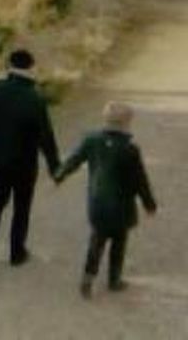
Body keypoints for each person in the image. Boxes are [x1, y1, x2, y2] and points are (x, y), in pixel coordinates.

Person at [54, 101, 159, 298]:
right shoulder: (130, 149)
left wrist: (60, 174)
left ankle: (87, 277)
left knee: (97, 240)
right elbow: (140, 181)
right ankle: (114, 279)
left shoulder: (91, 140)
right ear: (127, 123)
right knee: (119, 243)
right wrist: (149, 204)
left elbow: (74, 159)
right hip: (122, 206)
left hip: (98, 203)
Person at [0, 47, 61, 271]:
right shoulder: (35, 98)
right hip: (24, 163)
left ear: (9, 65)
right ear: (31, 67)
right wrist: (55, 167)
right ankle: (16, 252)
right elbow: (45, 136)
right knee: (21, 206)